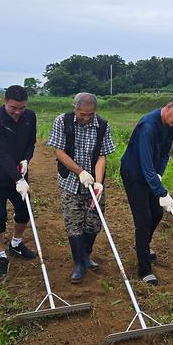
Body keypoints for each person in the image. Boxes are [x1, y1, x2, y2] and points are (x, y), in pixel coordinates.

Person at [120, 92, 173, 286]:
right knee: (143, 219)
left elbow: (164, 154)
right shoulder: (149, 126)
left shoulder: (170, 125)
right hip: (134, 175)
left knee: (157, 214)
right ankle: (144, 269)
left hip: (151, 174)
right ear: (169, 106)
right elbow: (145, 165)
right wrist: (161, 191)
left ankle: (141, 245)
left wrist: (159, 174)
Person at [48, 93, 116, 284]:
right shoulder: (63, 122)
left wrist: (98, 182)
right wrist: (80, 172)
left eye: (90, 114)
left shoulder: (102, 125)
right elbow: (59, 151)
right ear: (75, 108)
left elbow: (102, 155)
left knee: (94, 222)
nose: (86, 118)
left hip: (94, 181)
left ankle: (86, 254)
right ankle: (78, 262)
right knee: (74, 222)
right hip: (70, 180)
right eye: (83, 114)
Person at [0, 85, 38, 276]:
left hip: (19, 172)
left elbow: (31, 142)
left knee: (24, 211)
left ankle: (15, 243)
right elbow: (0, 152)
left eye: (21, 107)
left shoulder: (30, 117)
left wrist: (25, 160)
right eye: (13, 107)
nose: (17, 112)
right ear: (5, 102)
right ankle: (0, 255)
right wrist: (17, 179)